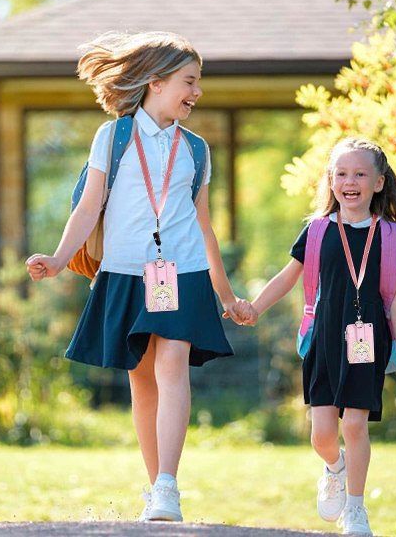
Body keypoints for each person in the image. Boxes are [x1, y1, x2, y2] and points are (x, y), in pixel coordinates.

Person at [25, 31, 249, 523]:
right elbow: (90, 207)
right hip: (126, 272)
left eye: (199, 83)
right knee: (142, 381)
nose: (197, 92)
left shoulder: (197, 149)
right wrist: (60, 259)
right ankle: (156, 488)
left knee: (172, 367)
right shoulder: (114, 136)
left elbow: (204, 227)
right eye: (190, 81)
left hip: (182, 272)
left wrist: (227, 295)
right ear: (156, 82)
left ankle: (168, 486)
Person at [240, 138, 396, 535]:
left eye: (359, 173)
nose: (350, 181)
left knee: (356, 424)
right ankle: (334, 467)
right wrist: (254, 307)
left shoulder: (389, 236)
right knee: (323, 434)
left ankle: (355, 509)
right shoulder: (318, 230)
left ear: (378, 182)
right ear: (331, 180)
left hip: (368, 341)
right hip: (324, 339)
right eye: (341, 173)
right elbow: (287, 278)